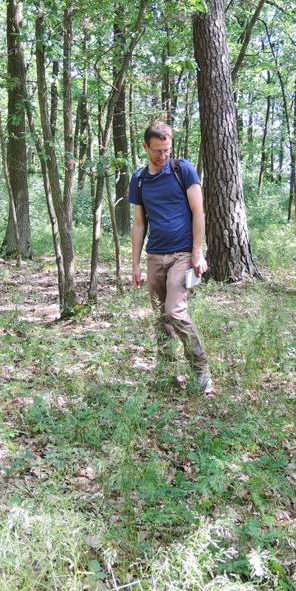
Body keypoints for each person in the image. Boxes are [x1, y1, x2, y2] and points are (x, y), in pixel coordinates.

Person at [129, 122, 212, 395]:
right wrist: (136, 265)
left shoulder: (183, 171)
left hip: (182, 254)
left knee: (174, 310)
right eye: (157, 151)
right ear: (145, 147)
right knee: (160, 318)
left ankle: (201, 369)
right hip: (155, 255)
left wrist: (197, 253)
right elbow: (139, 224)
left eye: (166, 150)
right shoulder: (139, 179)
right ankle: (167, 372)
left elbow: (198, 213)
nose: (162, 156)